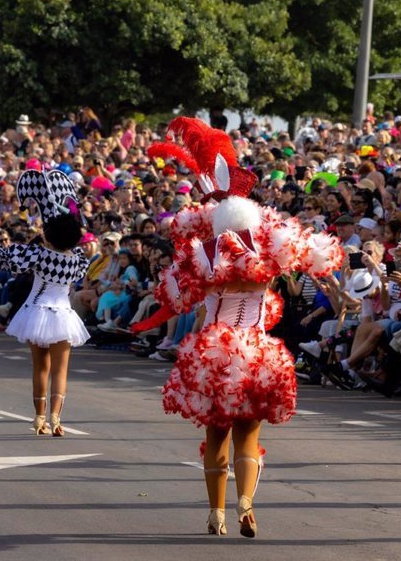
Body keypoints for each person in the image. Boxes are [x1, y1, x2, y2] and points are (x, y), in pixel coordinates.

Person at [137, 118, 342, 538]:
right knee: (249, 436)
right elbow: (319, 255)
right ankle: (247, 502)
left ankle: (218, 514)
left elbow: (174, 297)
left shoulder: (204, 254)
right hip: (257, 350)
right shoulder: (270, 251)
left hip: (214, 352)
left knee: (216, 437)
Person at [0, 169, 90, 436]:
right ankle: (55, 418)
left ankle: (38, 418)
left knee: (40, 367)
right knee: (60, 371)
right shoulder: (78, 259)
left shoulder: (39, 254)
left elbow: (1, 254)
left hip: (36, 313)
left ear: (49, 234)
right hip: (64, 315)